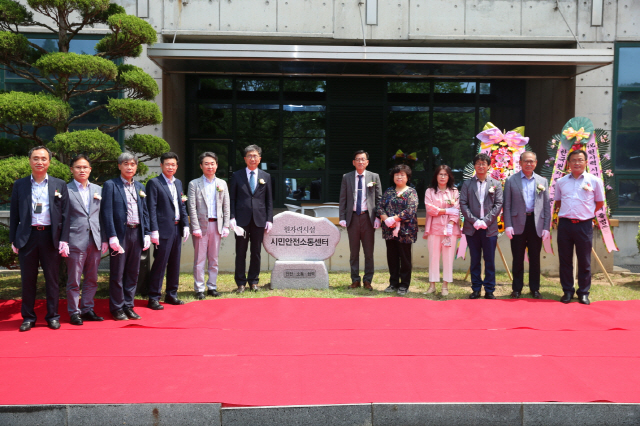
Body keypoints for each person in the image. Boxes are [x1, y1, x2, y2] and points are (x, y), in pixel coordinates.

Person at [10, 146, 70, 332]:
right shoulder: (20, 185)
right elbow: (14, 215)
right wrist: (14, 239)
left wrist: (64, 239)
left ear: (49, 162)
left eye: (43, 158)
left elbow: (67, 215)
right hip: (28, 237)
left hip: (50, 236)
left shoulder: (59, 184)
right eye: (36, 158)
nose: (39, 162)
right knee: (28, 280)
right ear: (30, 161)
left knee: (52, 279)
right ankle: (28, 317)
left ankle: (52, 316)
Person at [101, 152, 151, 321]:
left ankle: (129, 305)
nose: (129, 167)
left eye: (132, 164)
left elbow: (145, 213)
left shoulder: (140, 187)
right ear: (119, 166)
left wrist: (148, 233)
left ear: (136, 167)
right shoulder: (110, 185)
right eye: (126, 164)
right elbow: (106, 212)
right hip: (121, 234)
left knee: (133, 272)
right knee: (118, 272)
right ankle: (116, 307)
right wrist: (112, 236)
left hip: (137, 233)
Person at [554, 149, 604, 305]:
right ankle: (567, 291)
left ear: (586, 162)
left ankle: (583, 292)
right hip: (565, 225)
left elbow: (600, 203)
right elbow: (558, 202)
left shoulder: (594, 181)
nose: (577, 162)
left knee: (584, 260)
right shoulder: (561, 182)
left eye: (580, 160)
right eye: (573, 160)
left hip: (584, 225)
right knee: (565, 260)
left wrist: (586, 213)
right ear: (568, 163)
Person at [65, 154, 108, 325]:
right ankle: (74, 312)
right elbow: (62, 218)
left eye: (85, 167)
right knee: (74, 279)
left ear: (90, 169)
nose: (82, 170)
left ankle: (87, 309)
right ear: (72, 170)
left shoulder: (98, 190)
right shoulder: (66, 190)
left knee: (92, 278)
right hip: (75, 240)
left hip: (95, 240)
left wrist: (104, 238)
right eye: (78, 167)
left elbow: (103, 216)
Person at [504, 151, 551, 299]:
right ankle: (516, 289)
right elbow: (507, 205)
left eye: (532, 161)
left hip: (535, 223)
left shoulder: (542, 181)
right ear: (520, 163)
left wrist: (546, 227)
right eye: (526, 161)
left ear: (536, 163)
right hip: (517, 223)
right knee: (517, 257)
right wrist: (508, 225)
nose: (529, 164)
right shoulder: (512, 180)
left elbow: (546, 206)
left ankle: (535, 288)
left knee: (535, 258)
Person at [146, 152, 190, 309]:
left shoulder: (178, 183)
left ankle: (172, 294)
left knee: (174, 263)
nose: (170, 167)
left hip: (177, 228)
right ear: (161, 165)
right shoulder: (154, 183)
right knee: (160, 263)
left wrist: (185, 225)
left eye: (173, 164)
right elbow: (151, 208)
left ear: (177, 166)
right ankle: (154, 297)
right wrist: (154, 230)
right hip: (162, 229)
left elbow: (181, 205)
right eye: (167, 164)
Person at [229, 145, 273, 293]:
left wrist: (269, 219)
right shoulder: (237, 175)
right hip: (241, 220)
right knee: (240, 251)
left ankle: (254, 281)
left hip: (259, 220)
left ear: (259, 159)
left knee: (256, 252)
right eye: (249, 156)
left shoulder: (265, 176)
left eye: (255, 156)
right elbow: (232, 199)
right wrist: (232, 217)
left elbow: (269, 200)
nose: (252, 158)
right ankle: (240, 282)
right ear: (245, 159)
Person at [460, 153, 504, 299]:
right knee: (475, 259)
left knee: (490, 259)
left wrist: (485, 221)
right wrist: (475, 221)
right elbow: (463, 204)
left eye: (483, 163)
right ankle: (476, 288)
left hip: (489, 228)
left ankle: (490, 289)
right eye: (478, 163)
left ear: (488, 166)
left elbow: (498, 204)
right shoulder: (467, 184)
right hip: (472, 229)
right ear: (475, 166)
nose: (481, 166)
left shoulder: (495, 184)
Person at [187, 152, 230, 299]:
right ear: (201, 166)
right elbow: (191, 206)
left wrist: (226, 225)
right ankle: (199, 288)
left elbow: (226, 206)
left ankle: (212, 286)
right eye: (206, 163)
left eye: (212, 163)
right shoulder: (194, 184)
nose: (210, 166)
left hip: (216, 226)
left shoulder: (222, 184)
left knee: (214, 258)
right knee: (199, 259)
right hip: (201, 226)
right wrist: (195, 226)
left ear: (216, 165)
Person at [338, 150, 382, 290]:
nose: (360, 162)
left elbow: (379, 199)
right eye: (358, 159)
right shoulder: (347, 177)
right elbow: (343, 198)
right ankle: (355, 279)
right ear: (354, 162)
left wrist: (378, 217)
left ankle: (367, 280)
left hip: (368, 218)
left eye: (363, 159)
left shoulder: (374, 176)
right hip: (353, 218)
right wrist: (342, 217)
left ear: (367, 162)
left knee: (369, 252)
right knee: (354, 252)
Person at [376, 164, 418, 296]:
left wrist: (394, 219)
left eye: (402, 174)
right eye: (396, 174)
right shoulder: (389, 191)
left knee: (405, 258)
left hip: (405, 231)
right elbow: (380, 207)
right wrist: (385, 219)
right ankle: (393, 283)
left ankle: (404, 285)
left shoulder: (411, 192)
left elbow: (410, 210)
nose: (399, 177)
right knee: (392, 257)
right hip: (389, 230)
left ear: (407, 177)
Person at [423, 165, 461, 296]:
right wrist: (445, 211)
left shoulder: (454, 191)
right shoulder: (430, 191)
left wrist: (450, 223)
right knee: (433, 257)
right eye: (440, 174)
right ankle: (432, 285)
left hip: (450, 230)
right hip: (434, 228)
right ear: (436, 176)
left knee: (448, 258)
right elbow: (430, 209)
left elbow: (456, 210)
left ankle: (445, 285)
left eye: (445, 174)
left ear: (449, 176)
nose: (443, 177)